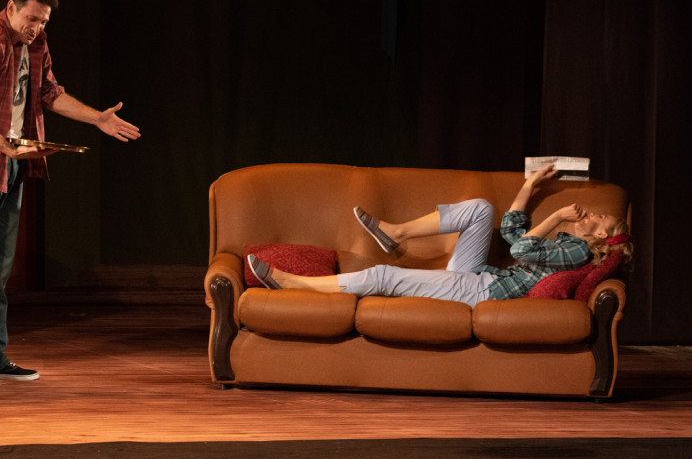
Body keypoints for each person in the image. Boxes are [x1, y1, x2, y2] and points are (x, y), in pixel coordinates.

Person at [0, 0, 141, 384]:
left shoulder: (36, 43)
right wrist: (6, 147)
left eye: (44, 21)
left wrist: (97, 118)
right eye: (31, 19)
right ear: (11, 8)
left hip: (11, 162)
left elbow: (49, 92)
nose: (36, 28)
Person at [248, 165, 633, 306]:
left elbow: (519, 246)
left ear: (602, 235)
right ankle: (396, 232)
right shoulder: (569, 245)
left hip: (482, 292)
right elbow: (512, 231)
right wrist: (529, 187)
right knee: (481, 208)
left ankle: (293, 283)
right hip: (481, 276)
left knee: (383, 276)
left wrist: (558, 216)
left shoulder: (577, 252)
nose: (592, 214)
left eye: (600, 217)